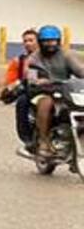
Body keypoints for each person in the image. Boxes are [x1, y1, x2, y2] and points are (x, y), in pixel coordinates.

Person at [25, 25, 84, 159]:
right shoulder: (34, 58)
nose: (50, 44)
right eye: (46, 41)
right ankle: (43, 141)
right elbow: (31, 77)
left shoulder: (66, 55)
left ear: (58, 41)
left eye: (53, 41)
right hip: (42, 91)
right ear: (40, 42)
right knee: (46, 103)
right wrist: (38, 81)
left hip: (64, 90)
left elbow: (80, 70)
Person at [1, 29, 39, 148]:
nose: (28, 43)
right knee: (22, 101)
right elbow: (10, 80)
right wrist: (9, 87)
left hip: (54, 89)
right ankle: (27, 138)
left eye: (31, 40)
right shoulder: (20, 60)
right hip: (32, 91)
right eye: (25, 41)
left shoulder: (52, 56)